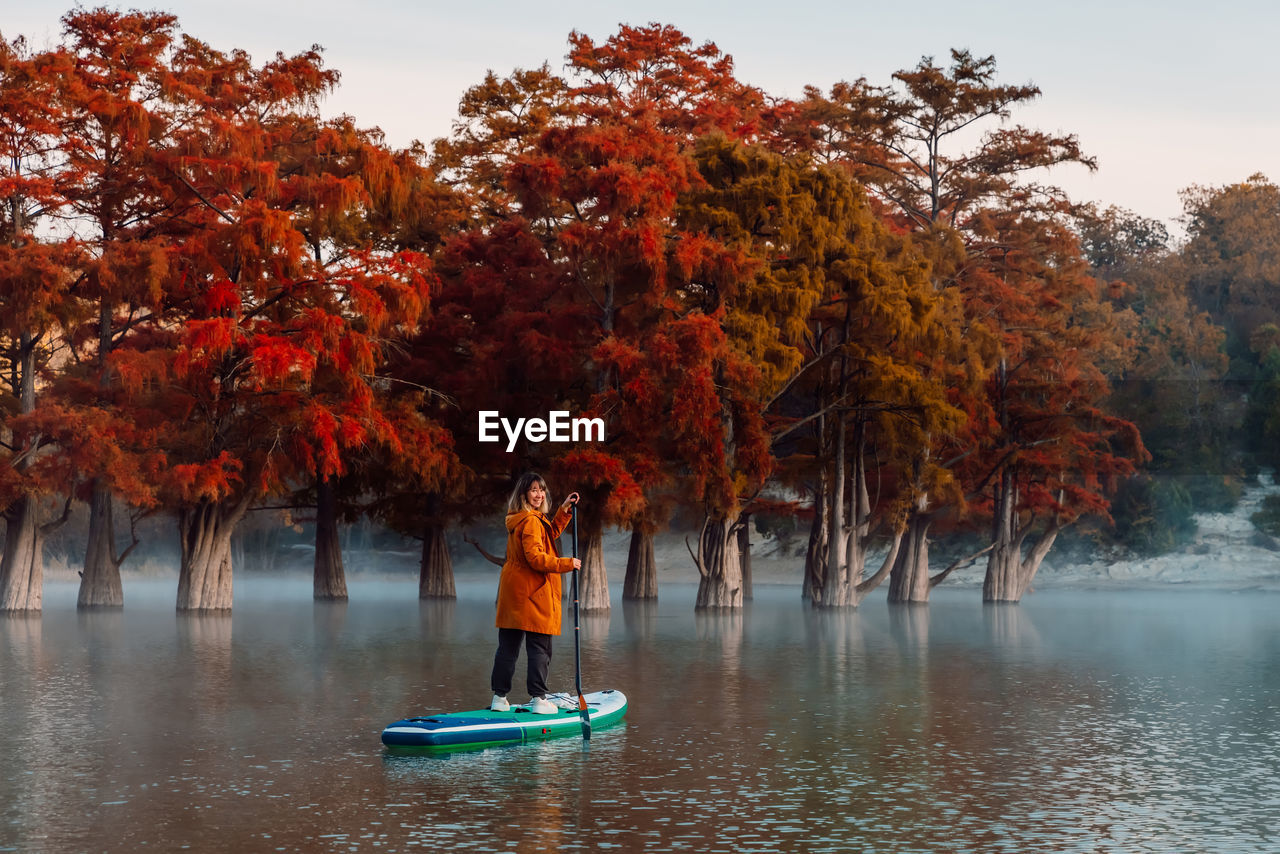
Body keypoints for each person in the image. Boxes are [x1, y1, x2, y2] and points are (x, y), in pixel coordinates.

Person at [489, 472, 581, 714]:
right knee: (540, 647)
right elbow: (536, 558)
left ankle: (499, 698)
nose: (539, 494)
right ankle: (539, 700)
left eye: (541, 489)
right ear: (523, 495)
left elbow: (547, 536)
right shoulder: (530, 521)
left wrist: (563, 510)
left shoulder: (521, 518)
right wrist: (566, 564)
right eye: (533, 490)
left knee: (507, 647)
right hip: (533, 592)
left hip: (513, 591)